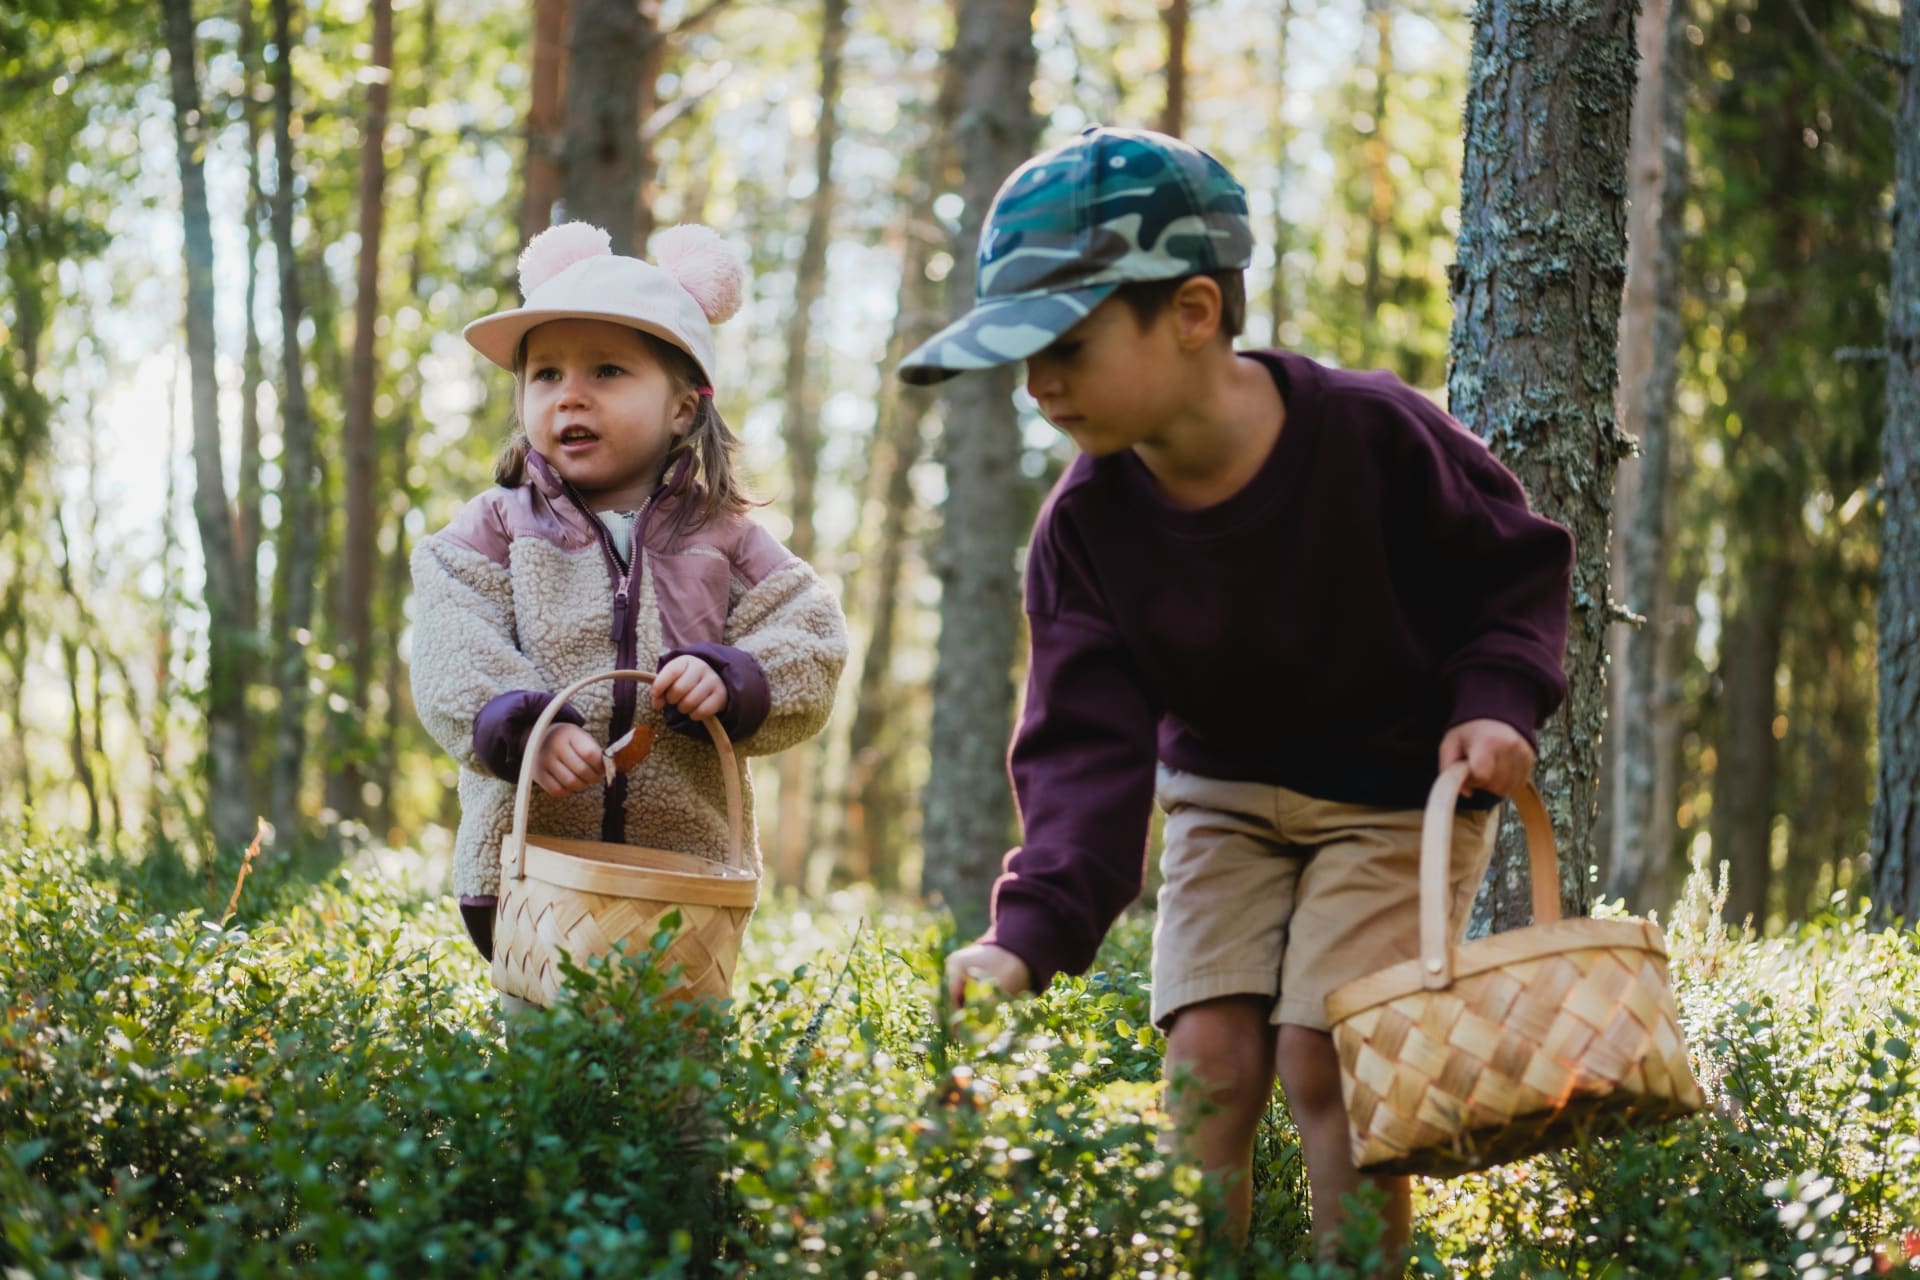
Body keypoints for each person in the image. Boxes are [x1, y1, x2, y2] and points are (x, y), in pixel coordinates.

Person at [903, 126, 1572, 1260]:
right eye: (1020, 354)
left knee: (1326, 1051)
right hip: (1223, 793)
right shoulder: (1084, 530)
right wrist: (1026, 935)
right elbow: (1082, 758)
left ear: (1195, 311)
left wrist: (1499, 697)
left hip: (1395, 794)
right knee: (1207, 1061)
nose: (1041, 382)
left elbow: (1512, 566)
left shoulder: (1372, 434)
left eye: (1065, 339)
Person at [411, 221, 848, 988]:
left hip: (679, 872)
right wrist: (523, 727)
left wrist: (735, 677)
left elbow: (811, 636)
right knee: (547, 1066)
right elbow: (452, 643)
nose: (569, 394)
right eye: (544, 375)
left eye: (607, 371)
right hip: (532, 865)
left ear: (683, 408)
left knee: (674, 1073)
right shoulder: (495, 526)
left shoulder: (727, 537)